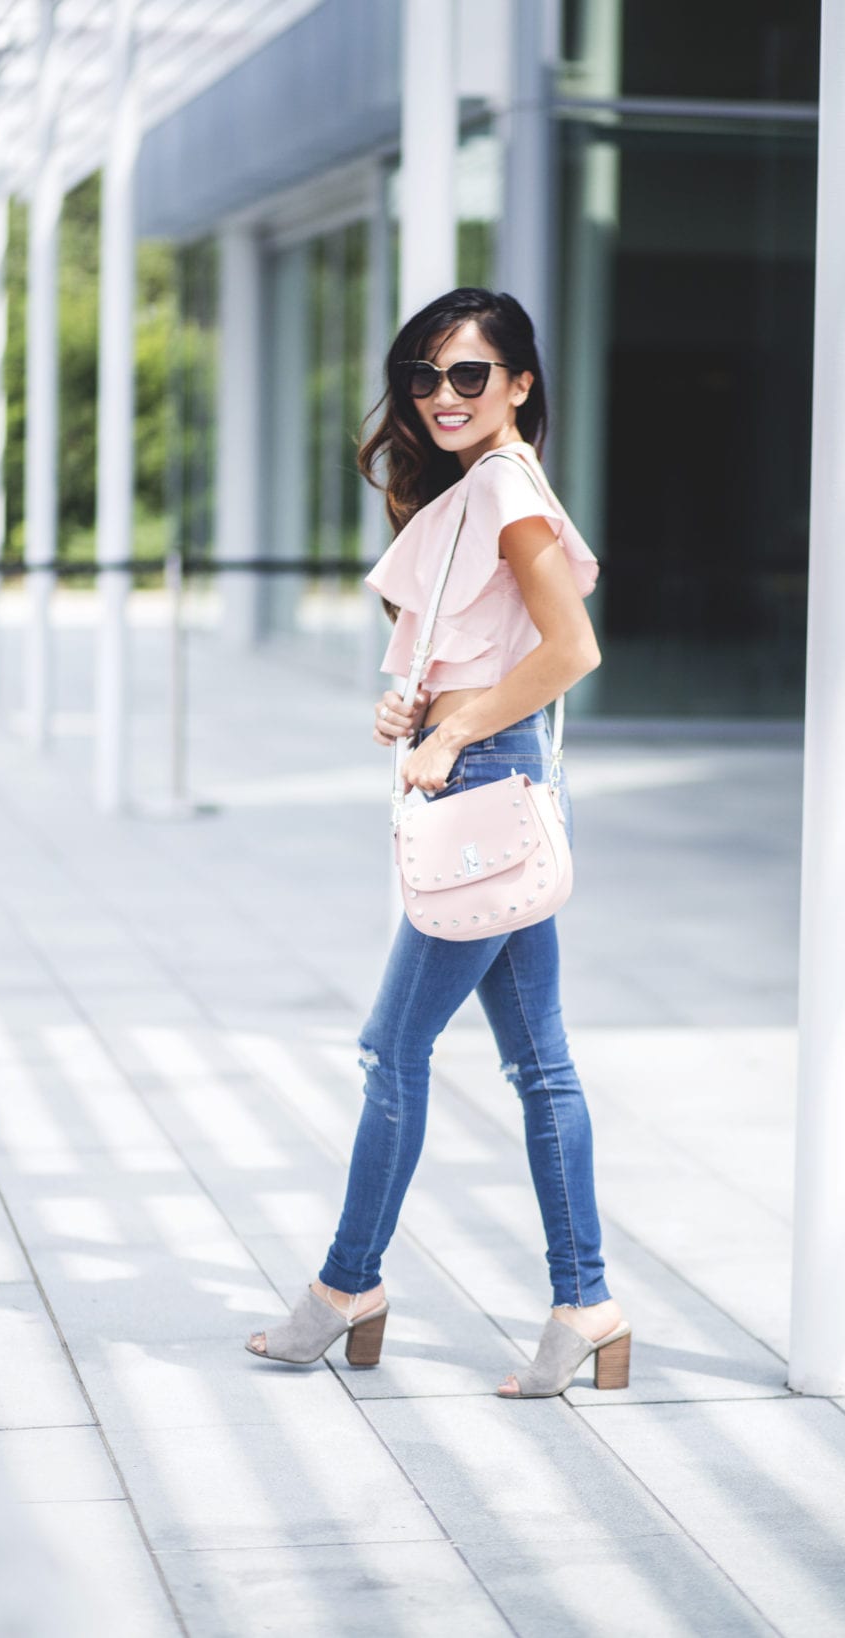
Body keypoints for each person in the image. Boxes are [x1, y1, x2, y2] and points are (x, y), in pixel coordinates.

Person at [246, 288, 630, 1397]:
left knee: (390, 1047)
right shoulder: (471, 494)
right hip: (480, 773)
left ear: (519, 384)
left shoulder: (506, 487)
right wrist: (416, 711)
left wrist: (458, 723)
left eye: (471, 375)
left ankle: (345, 1285)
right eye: (425, 376)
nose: (443, 396)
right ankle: (586, 1303)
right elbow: (487, 651)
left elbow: (573, 648)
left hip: (488, 782)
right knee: (540, 1063)